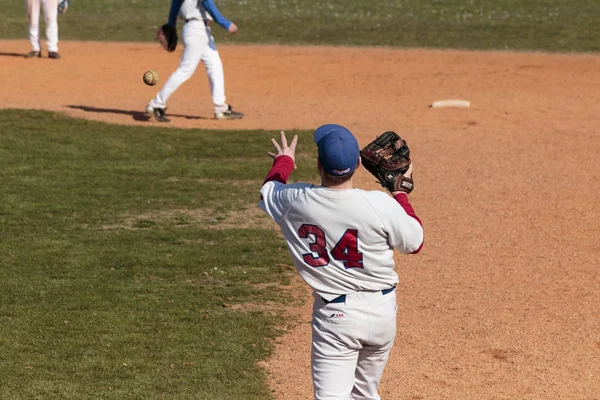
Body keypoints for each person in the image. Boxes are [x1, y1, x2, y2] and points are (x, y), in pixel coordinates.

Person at [258, 125, 424, 400]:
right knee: (364, 395)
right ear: (358, 164)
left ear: (319, 164)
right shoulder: (379, 204)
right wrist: (400, 194)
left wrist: (284, 161)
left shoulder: (296, 201)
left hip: (336, 319)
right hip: (382, 314)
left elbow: (268, 191)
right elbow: (414, 243)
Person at [145, 0, 244, 122]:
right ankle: (156, 104)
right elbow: (207, 2)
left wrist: (171, 23)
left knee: (215, 67)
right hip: (197, 31)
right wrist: (225, 24)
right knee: (185, 70)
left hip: (200, 31)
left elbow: (176, 2)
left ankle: (221, 108)